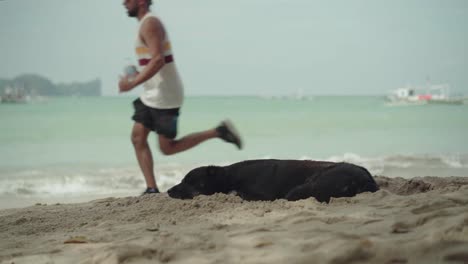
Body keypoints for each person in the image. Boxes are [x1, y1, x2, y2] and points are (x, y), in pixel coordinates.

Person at [119, 0, 242, 194]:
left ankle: (218, 132)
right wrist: (135, 75)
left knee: (167, 148)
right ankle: (151, 188)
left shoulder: (151, 23)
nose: (123, 2)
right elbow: (153, 61)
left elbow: (158, 60)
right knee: (138, 138)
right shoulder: (144, 25)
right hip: (152, 93)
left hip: (165, 95)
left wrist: (131, 84)